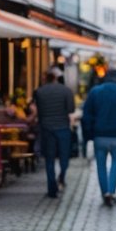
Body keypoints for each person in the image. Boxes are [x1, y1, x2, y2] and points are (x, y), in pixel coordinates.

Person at [81, 71, 116, 207]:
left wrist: (88, 134)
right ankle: (112, 191)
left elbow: (86, 114)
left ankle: (104, 192)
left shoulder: (95, 92)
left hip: (99, 135)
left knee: (101, 164)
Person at [33, 71, 76, 199]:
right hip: (63, 127)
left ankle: (52, 188)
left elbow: (39, 112)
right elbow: (71, 109)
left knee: (49, 159)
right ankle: (62, 176)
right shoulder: (66, 91)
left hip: (47, 128)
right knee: (64, 156)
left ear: (45, 79)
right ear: (56, 78)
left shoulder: (39, 92)